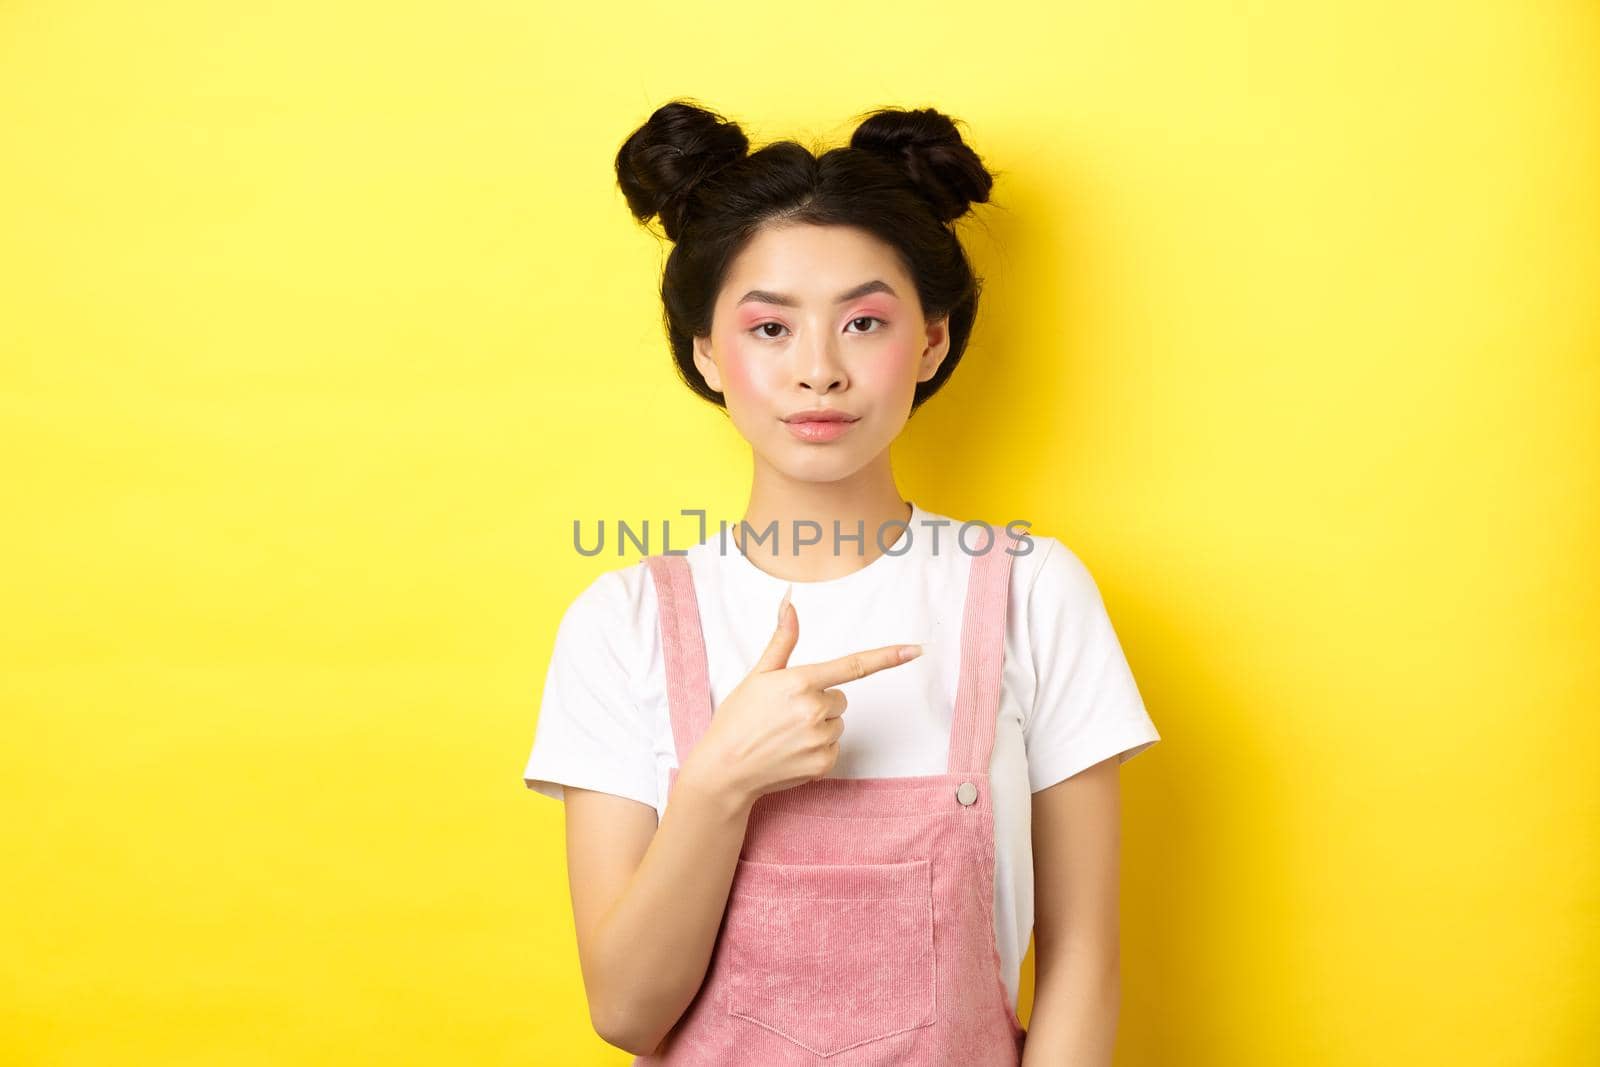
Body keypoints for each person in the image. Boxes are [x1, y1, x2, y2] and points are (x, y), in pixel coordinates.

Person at [521, 99, 1161, 1065]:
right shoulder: (623, 622)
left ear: (933, 342)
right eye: (770, 329)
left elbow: (1082, 959)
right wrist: (718, 784)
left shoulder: (1033, 592)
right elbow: (625, 1010)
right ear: (706, 353)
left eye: (864, 321)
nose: (819, 371)